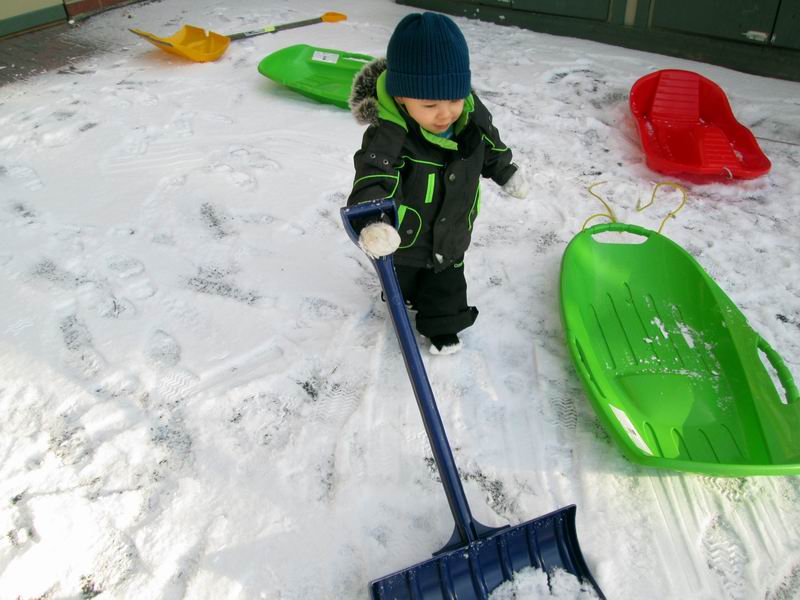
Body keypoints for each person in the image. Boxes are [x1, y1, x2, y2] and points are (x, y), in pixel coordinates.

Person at [346, 11, 529, 355]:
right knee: (406, 278)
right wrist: (374, 221)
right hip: (406, 237)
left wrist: (506, 171)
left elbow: (490, 147)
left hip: (453, 231)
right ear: (402, 98)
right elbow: (374, 177)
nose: (445, 113)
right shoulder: (389, 136)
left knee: (446, 287)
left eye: (455, 100)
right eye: (429, 104)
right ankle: (401, 293)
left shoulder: (471, 119)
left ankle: (444, 327)